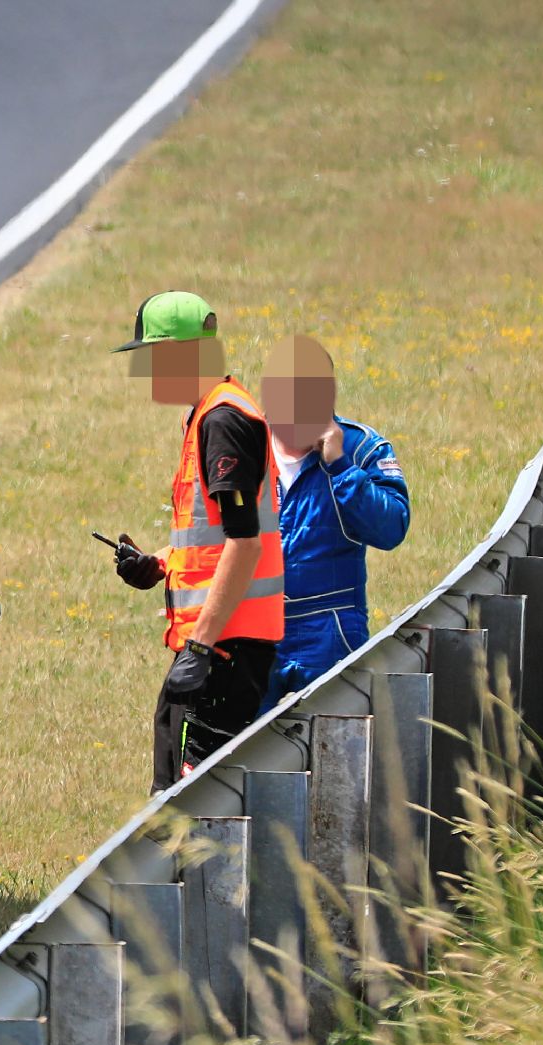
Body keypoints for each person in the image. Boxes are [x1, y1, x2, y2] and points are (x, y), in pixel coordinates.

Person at [109, 291, 286, 791]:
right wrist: (158, 563)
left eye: (149, 358)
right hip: (222, 643)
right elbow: (212, 538)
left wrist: (201, 647)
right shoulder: (207, 413)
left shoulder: (223, 421)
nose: (145, 373)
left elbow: (244, 542)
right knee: (174, 784)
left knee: (192, 799)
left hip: (227, 646)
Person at [259, 335, 411, 708]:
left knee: (338, 745)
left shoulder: (363, 448)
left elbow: (392, 528)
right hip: (256, 628)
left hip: (331, 629)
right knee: (242, 752)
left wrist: (341, 468)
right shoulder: (247, 443)